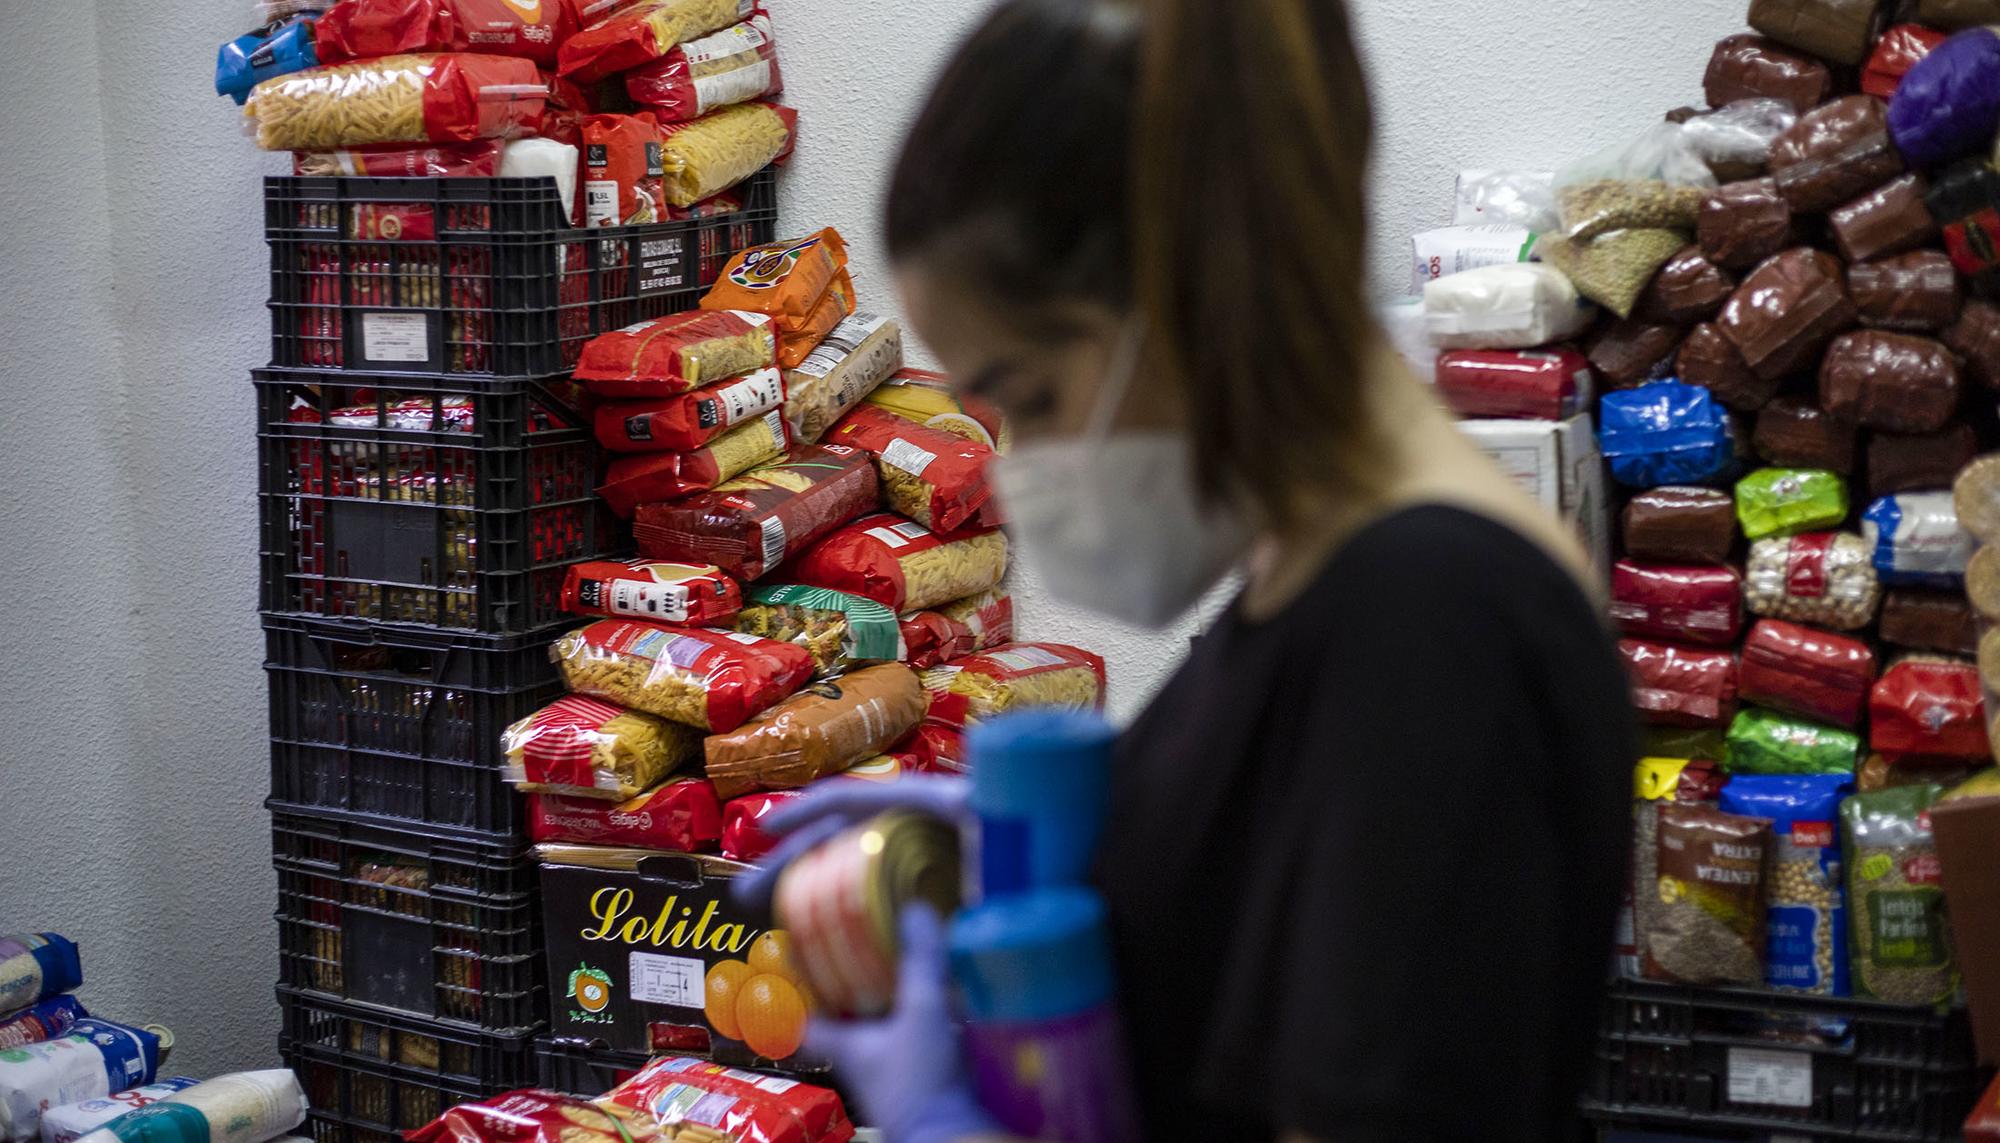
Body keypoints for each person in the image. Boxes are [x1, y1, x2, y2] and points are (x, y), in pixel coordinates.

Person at [740, 0, 1637, 1140]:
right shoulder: (1312, 583)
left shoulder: (1437, 617)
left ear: (1189, 293)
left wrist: (945, 1122)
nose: (1010, 467)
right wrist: (1062, 867)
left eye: (1032, 392)